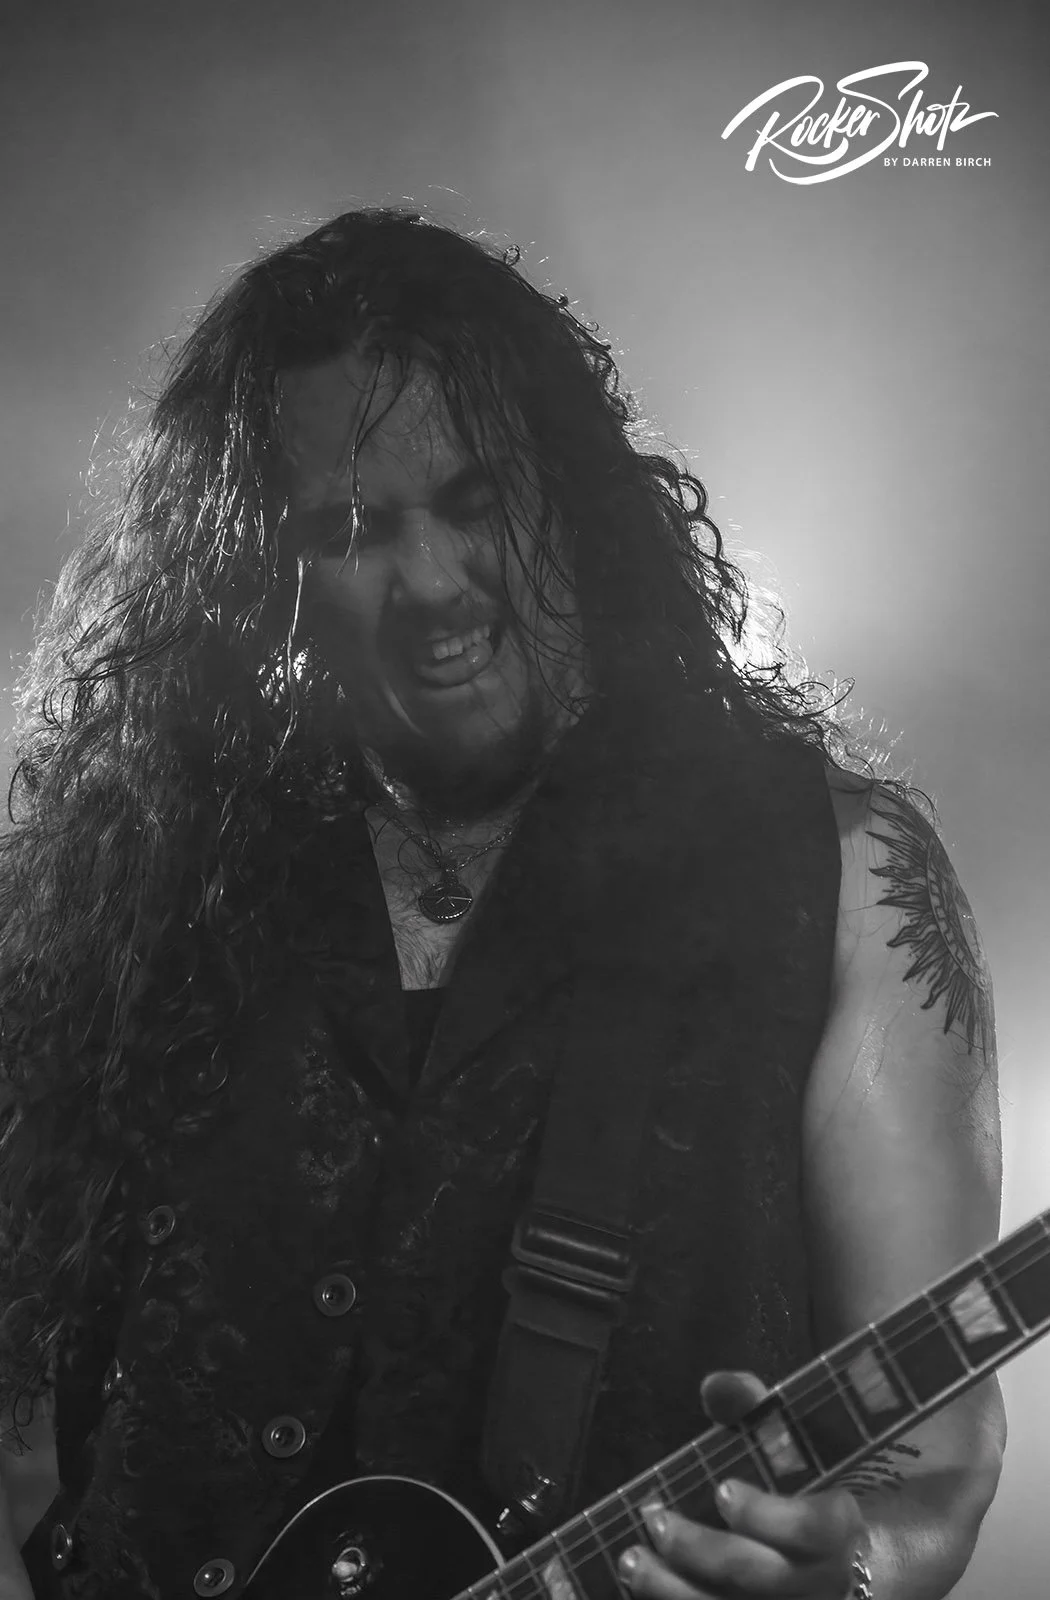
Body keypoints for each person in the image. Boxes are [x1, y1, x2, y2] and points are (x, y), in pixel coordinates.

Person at [0, 209, 1003, 1600]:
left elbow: (932, 1458)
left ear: (569, 496)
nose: (431, 585)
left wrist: (849, 1573)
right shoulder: (137, 884)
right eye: (352, 530)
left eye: (476, 503)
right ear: (261, 572)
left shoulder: (838, 872)